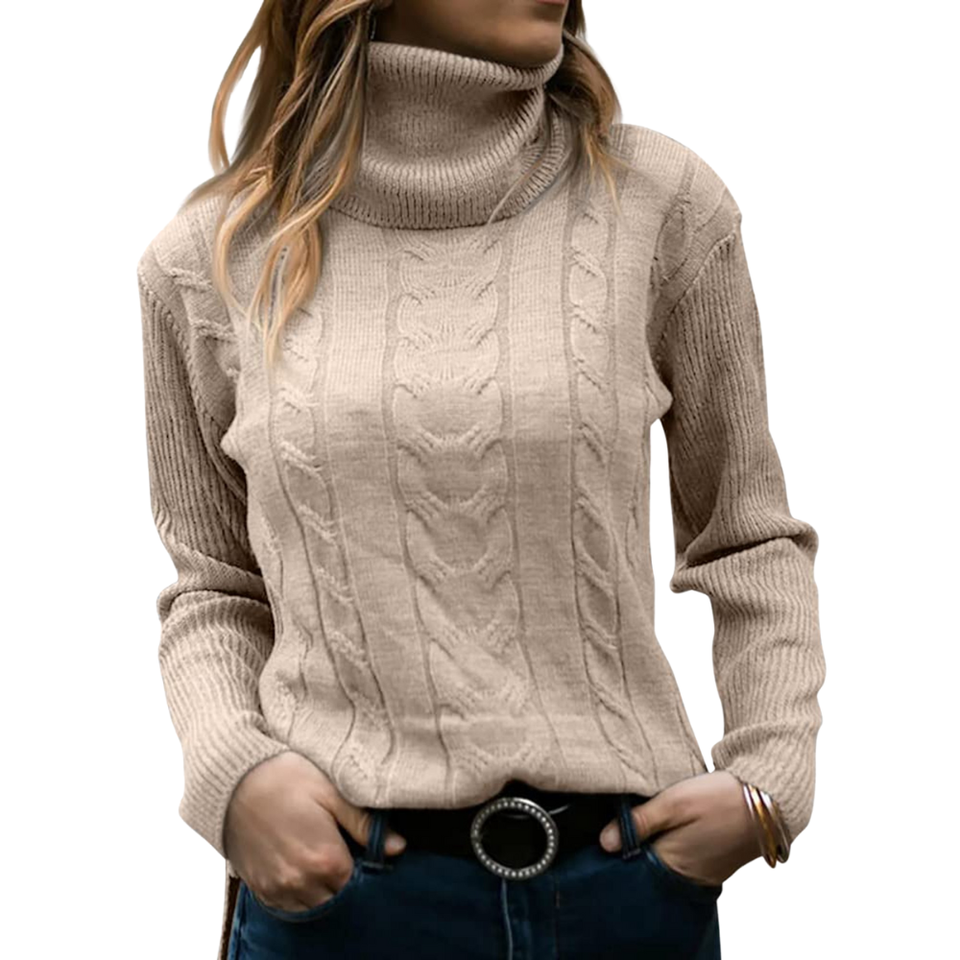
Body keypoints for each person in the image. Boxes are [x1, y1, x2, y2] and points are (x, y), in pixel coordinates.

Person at [136, 1, 826, 958]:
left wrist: (769, 780)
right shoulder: (213, 256)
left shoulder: (659, 203)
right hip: (344, 903)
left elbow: (746, 537)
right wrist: (233, 776)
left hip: (623, 898)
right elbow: (217, 585)